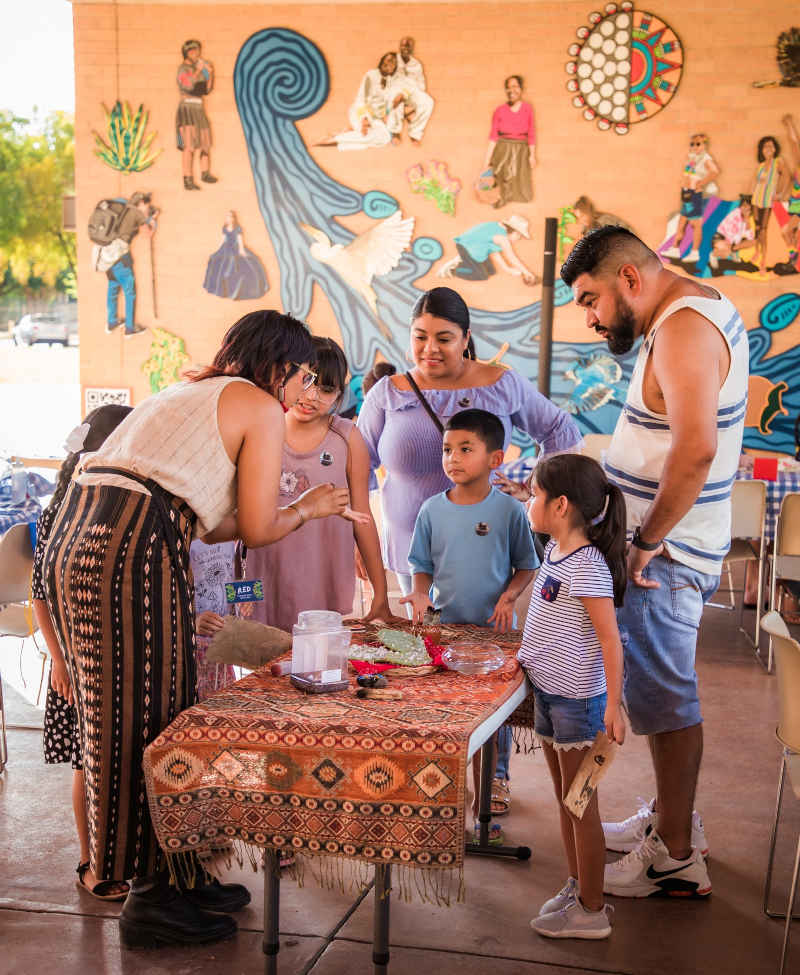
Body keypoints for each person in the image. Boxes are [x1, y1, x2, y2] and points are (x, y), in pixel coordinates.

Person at [41, 310, 360, 948]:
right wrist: (311, 508)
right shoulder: (259, 405)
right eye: (301, 374)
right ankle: (152, 900)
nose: (304, 390)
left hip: (86, 533)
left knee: (166, 707)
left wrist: (285, 511)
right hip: (130, 542)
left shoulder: (189, 390)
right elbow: (263, 525)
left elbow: (215, 522)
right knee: (147, 717)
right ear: (282, 366)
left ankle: (181, 873)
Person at [561, 226, 748, 899]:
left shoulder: (681, 331)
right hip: (665, 546)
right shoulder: (687, 312)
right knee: (658, 694)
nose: (590, 318)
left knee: (666, 700)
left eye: (592, 300)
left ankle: (673, 857)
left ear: (631, 281)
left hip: (665, 555)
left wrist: (644, 541)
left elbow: (695, 450)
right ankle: (672, 821)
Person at [357, 287, 582, 812]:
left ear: (466, 339)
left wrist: (531, 492)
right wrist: (358, 533)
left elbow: (561, 430)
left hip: (486, 562)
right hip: (404, 560)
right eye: (419, 337)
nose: (429, 349)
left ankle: (493, 779)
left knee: (483, 669)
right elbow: (358, 465)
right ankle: (418, 775)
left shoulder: (500, 385)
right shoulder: (387, 393)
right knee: (411, 668)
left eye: (443, 338)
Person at [401, 409, 538, 837]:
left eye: (465, 449)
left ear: (495, 459)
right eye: (447, 449)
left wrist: (509, 597)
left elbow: (526, 566)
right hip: (446, 629)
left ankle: (495, 778)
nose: (452, 458)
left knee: (493, 711)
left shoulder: (509, 511)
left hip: (493, 631)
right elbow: (420, 566)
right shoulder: (430, 510)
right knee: (447, 709)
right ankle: (449, 778)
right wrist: (421, 593)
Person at [520, 453, 626, 940]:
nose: (528, 502)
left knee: (581, 806)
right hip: (550, 695)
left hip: (579, 705)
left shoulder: (588, 567)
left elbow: (609, 640)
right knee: (567, 803)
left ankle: (593, 910)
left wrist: (611, 705)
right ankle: (578, 885)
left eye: (533, 494)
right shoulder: (554, 553)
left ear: (560, 505)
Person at [32, 405, 133, 902]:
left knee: (114, 763)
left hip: (114, 658)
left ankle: (119, 856)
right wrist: (60, 659)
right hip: (76, 662)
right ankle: (90, 862)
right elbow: (40, 596)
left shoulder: (120, 505)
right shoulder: (61, 511)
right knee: (86, 764)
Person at [242, 336, 393, 632]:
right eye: (307, 383)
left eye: (325, 389)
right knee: (257, 667)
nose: (312, 397)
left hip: (322, 580)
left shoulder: (348, 438)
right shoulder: (260, 427)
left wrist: (381, 593)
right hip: (259, 578)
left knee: (318, 667)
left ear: (339, 395)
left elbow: (363, 518)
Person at [92, 191, 157, 336]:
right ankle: (129, 327)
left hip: (107, 255)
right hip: (121, 256)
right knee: (130, 292)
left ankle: (112, 321)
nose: (146, 209)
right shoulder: (137, 214)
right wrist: (152, 220)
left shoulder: (119, 205)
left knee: (113, 287)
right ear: (140, 204)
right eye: (146, 206)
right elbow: (148, 233)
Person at [189, 539, 237, 700]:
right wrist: (192, 621)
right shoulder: (182, 535)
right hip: (190, 645)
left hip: (222, 641)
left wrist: (239, 602)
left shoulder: (231, 536)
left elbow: (227, 574)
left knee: (222, 704)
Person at [662, 133, 720, 264]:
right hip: (687, 193)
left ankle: (694, 252)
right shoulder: (693, 158)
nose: (694, 146)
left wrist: (700, 184)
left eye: (698, 144)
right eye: (692, 144)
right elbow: (689, 174)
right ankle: (675, 249)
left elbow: (715, 171)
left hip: (695, 195)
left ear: (704, 145)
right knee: (682, 221)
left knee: (696, 224)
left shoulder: (705, 158)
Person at [482, 75, 536, 208]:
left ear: (521, 89)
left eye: (515, 86)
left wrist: (532, 155)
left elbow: (531, 133)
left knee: (521, 186)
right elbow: (493, 136)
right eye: (509, 87)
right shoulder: (499, 111)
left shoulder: (527, 109)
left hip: (521, 150)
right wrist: (486, 161)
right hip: (503, 149)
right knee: (501, 180)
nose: (512, 90)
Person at [439, 215, 540, 285]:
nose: (518, 238)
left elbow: (495, 253)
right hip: (466, 247)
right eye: (519, 235)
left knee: (491, 271)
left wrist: (508, 269)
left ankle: (463, 261)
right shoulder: (502, 238)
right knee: (481, 275)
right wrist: (527, 273)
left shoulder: (498, 230)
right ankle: (454, 270)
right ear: (513, 231)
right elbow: (511, 257)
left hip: (475, 248)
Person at [176, 39, 218, 190]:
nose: (196, 53)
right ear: (186, 53)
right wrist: (198, 70)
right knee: (189, 145)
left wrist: (210, 74)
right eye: (192, 51)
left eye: (197, 50)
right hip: (187, 109)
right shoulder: (183, 69)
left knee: (205, 142)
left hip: (199, 109)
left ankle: (205, 173)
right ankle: (188, 179)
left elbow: (207, 90)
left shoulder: (197, 68)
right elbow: (187, 85)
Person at [203, 210, 268, 300]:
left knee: (243, 263)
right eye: (228, 217)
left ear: (234, 219)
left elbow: (240, 240)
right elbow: (223, 240)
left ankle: (237, 290)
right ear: (226, 219)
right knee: (217, 261)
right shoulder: (225, 228)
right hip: (226, 248)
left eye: (232, 217)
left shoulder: (237, 228)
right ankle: (221, 289)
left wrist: (241, 250)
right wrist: (218, 249)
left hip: (236, 248)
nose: (230, 218)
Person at [751, 135, 790, 274]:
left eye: (771, 146)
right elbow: (757, 184)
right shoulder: (761, 165)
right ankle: (757, 252)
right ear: (761, 149)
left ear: (775, 149)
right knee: (757, 228)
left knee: (763, 231)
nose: (768, 149)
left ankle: (763, 261)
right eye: (765, 146)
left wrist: (780, 194)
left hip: (767, 202)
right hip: (756, 200)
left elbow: (786, 177)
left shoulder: (778, 161)